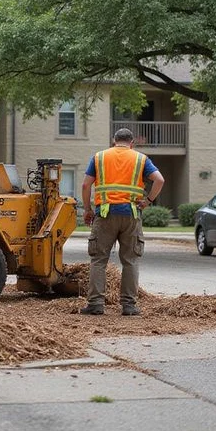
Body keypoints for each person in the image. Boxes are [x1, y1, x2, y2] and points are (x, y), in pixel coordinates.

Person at [80, 127, 165, 316]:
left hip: (105, 214)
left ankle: (95, 304)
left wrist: (87, 210)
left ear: (114, 141)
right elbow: (159, 180)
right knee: (130, 261)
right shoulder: (141, 159)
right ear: (131, 143)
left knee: (99, 260)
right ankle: (129, 306)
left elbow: (86, 184)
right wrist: (148, 201)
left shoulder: (99, 157)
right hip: (131, 215)